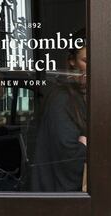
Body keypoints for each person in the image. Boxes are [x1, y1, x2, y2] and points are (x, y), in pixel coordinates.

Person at [29, 29, 87, 192]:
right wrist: (86, 146)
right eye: (85, 60)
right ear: (72, 61)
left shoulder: (94, 94)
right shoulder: (60, 99)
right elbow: (69, 154)